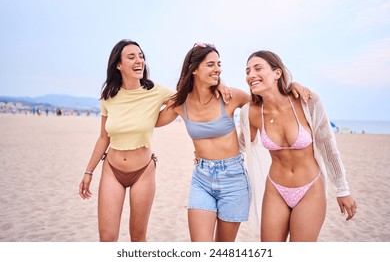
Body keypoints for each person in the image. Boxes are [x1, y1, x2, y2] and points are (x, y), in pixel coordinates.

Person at [78, 39, 230, 242]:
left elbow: (191, 101)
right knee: (107, 238)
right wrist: (89, 171)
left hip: (143, 172)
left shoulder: (156, 92)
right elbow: (103, 137)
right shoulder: (109, 96)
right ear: (118, 64)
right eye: (131, 57)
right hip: (112, 169)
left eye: (141, 56)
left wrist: (218, 83)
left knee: (138, 237)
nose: (139, 60)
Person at [156, 43, 310, 242]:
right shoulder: (180, 103)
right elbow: (152, 121)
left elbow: (267, 100)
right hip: (201, 178)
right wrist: (154, 95)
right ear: (194, 69)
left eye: (218, 64)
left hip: (233, 178)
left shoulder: (230, 97)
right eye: (210, 64)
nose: (218, 69)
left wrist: (290, 87)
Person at [240, 50, 357, 242]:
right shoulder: (251, 112)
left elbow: (328, 147)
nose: (250, 75)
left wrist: (342, 190)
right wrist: (205, 151)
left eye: (257, 68)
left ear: (277, 73)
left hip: (310, 189)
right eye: (247, 71)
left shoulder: (307, 102)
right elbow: (240, 146)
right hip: (276, 189)